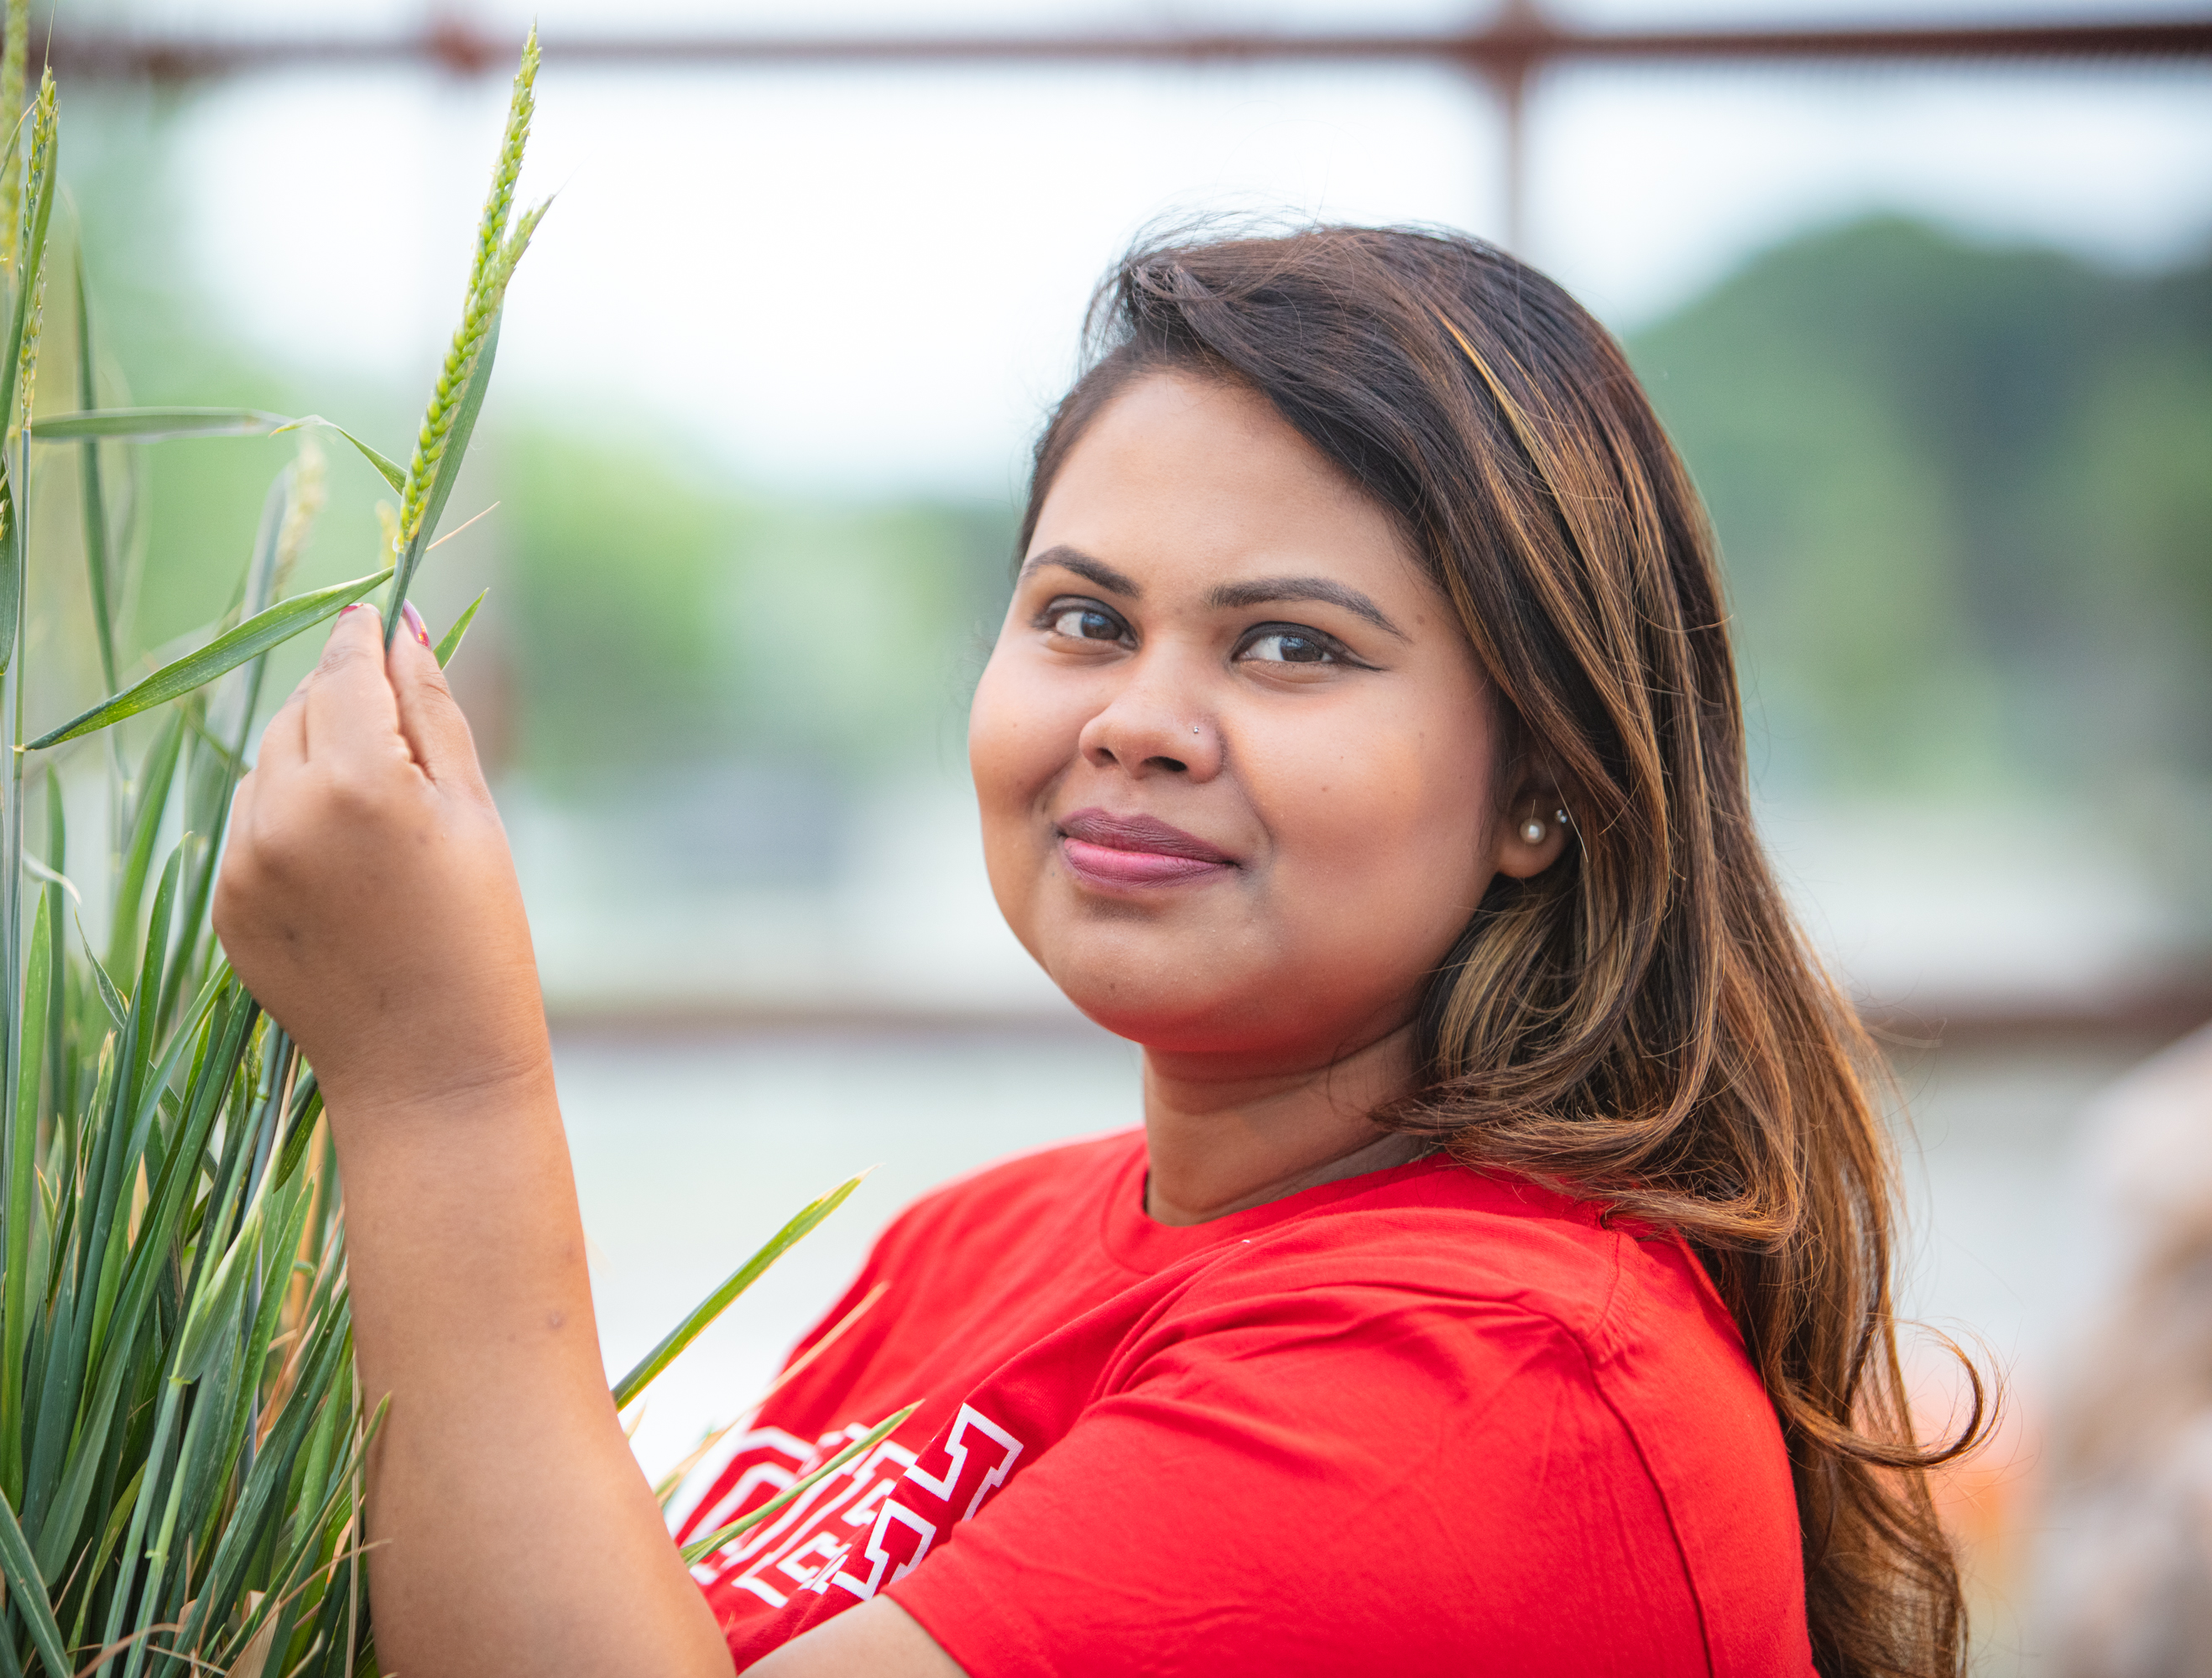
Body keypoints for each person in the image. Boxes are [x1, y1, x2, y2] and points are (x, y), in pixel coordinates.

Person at [213, 225, 1982, 1677]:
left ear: (1544, 782)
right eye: (1082, 616)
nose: (1140, 719)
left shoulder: (1496, 1385)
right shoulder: (971, 1249)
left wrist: (435, 1080)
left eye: (1288, 646)